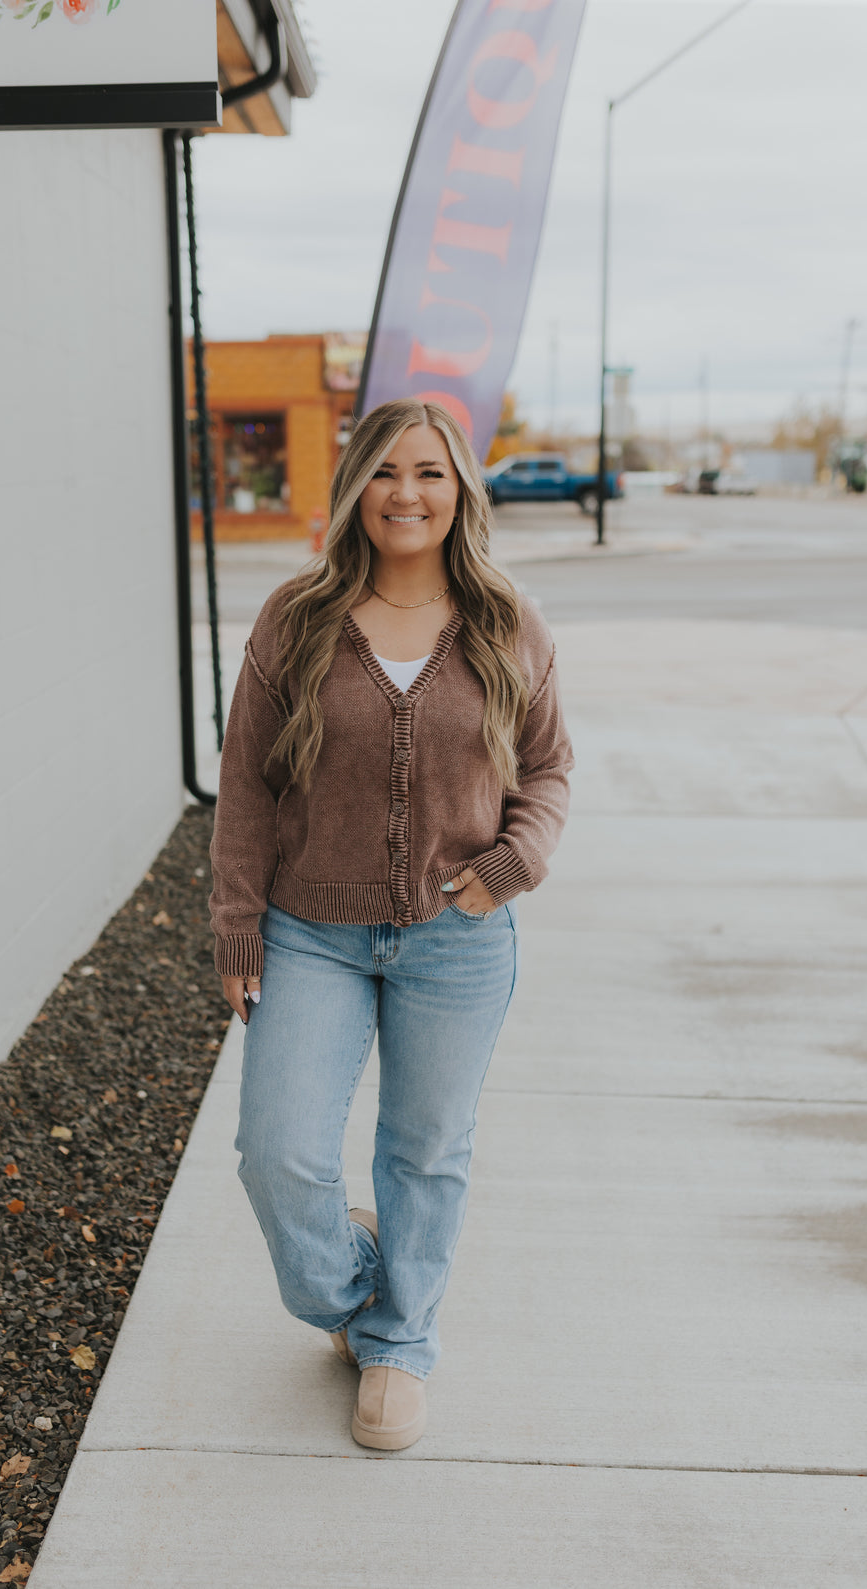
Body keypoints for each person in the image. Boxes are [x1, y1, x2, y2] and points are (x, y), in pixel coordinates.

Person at [207, 397, 574, 1451]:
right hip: (309, 929)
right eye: (383, 471)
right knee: (277, 1151)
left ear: (460, 489)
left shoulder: (508, 620)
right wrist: (237, 924)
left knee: (422, 1152)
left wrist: (510, 865)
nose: (405, 493)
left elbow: (546, 767)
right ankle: (355, 1290)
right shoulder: (297, 615)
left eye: (429, 472)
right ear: (353, 485)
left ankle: (402, 1341)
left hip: (457, 939)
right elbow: (245, 784)